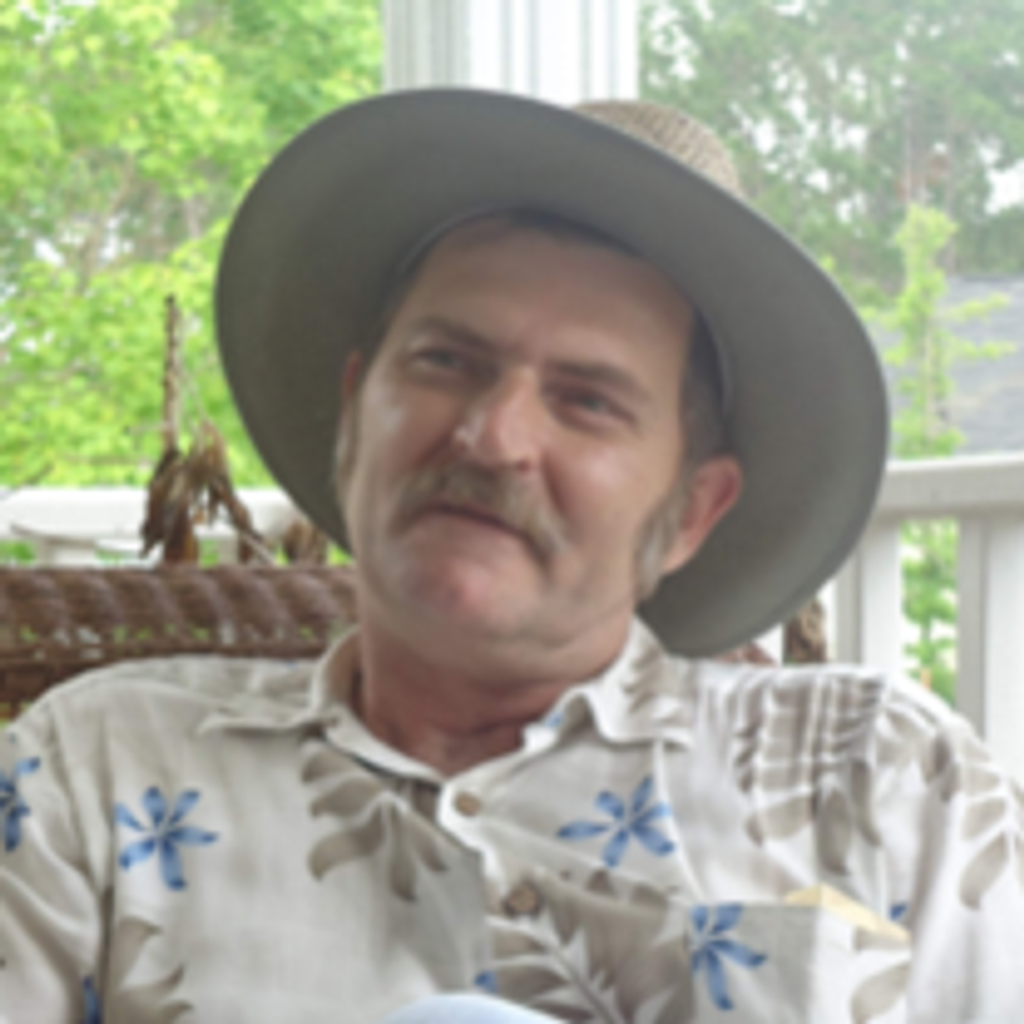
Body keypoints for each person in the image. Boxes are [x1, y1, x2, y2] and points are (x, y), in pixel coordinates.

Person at [1, 91, 1021, 1024]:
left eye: (588, 400)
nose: (491, 436)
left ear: (692, 510)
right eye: (446, 360)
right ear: (353, 414)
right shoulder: (95, 771)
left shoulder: (879, 778)